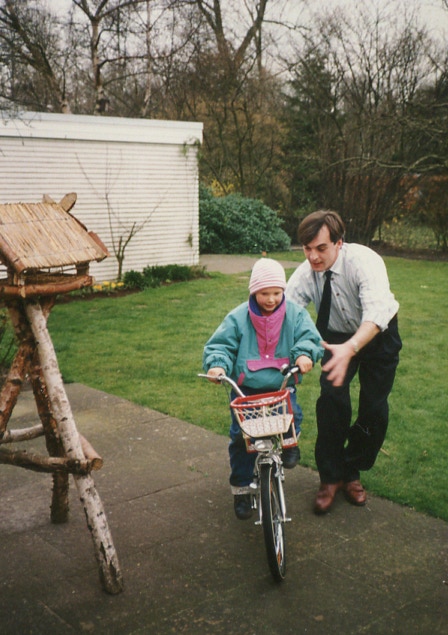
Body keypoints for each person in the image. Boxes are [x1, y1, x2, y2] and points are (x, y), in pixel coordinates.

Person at [286, 210, 402, 514]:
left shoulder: (364, 261)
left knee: (374, 410)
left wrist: (352, 347)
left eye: (321, 248)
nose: (313, 257)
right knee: (331, 402)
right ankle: (330, 477)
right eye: (307, 248)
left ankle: (351, 469)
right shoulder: (306, 273)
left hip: (378, 333)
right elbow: (284, 313)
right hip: (336, 338)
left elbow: (376, 314)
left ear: (339, 242)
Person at [203, 258, 323, 520]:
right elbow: (221, 345)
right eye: (264, 293)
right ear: (253, 291)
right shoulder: (238, 317)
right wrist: (217, 365)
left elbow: (309, 337)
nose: (270, 299)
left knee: (292, 416)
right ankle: (242, 489)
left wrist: (305, 354)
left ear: (283, 291)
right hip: (246, 389)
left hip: (281, 384)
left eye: (276, 293)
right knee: (241, 438)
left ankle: (289, 444)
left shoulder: (295, 314)